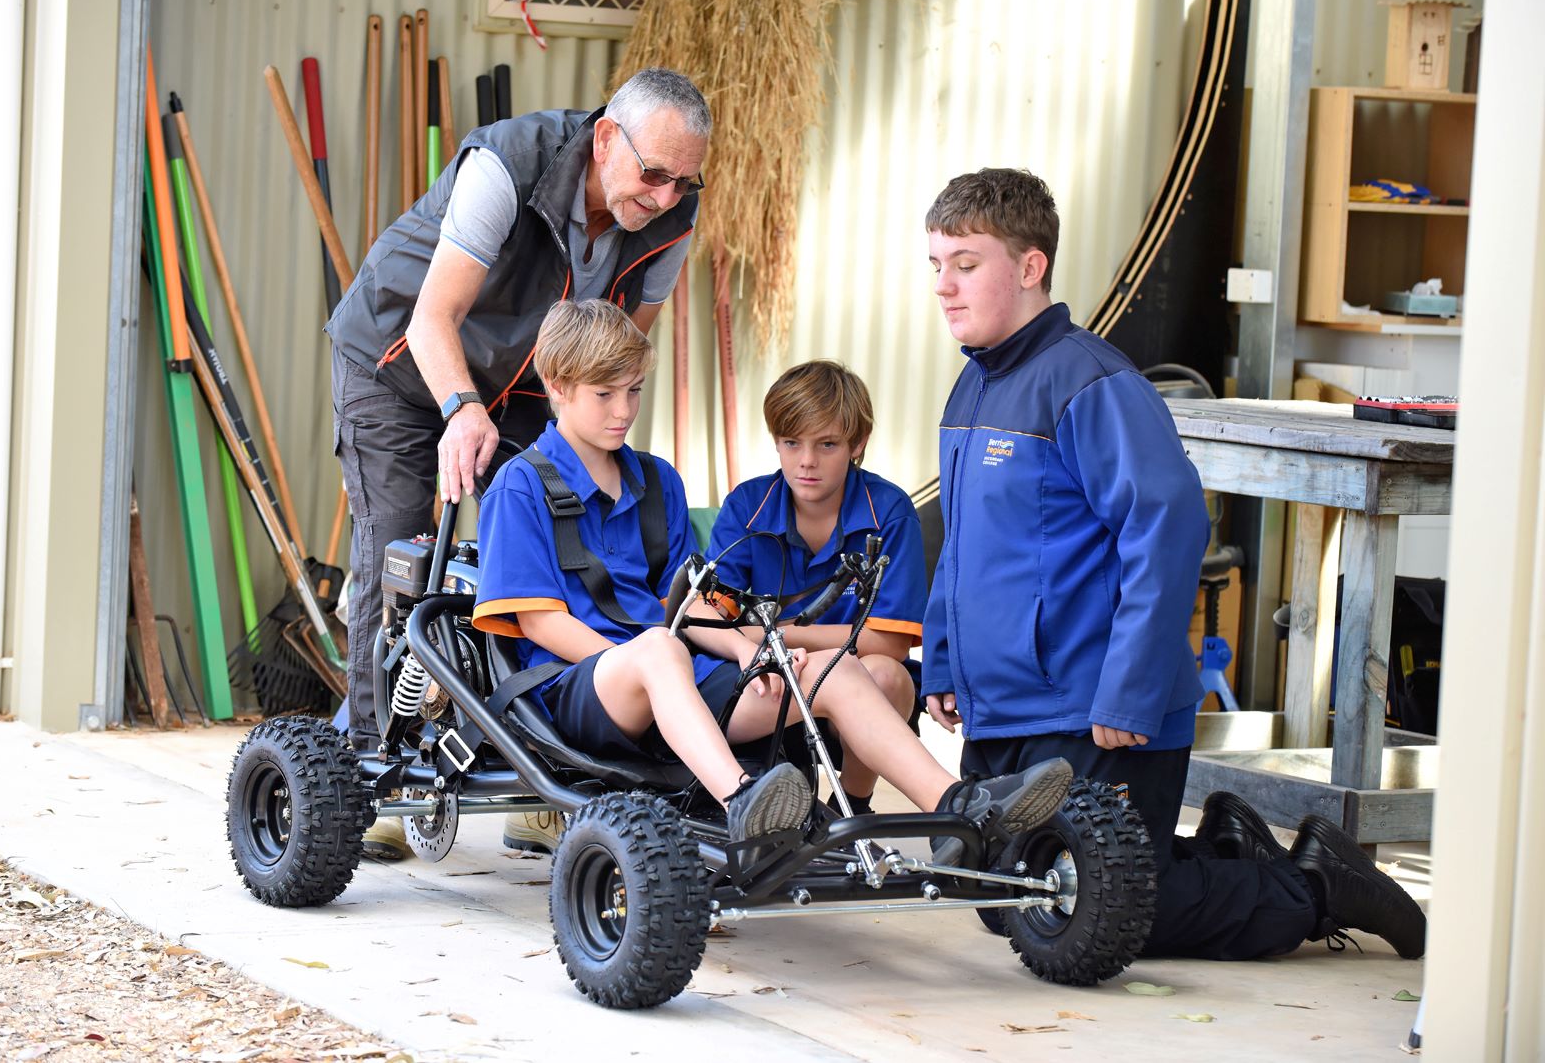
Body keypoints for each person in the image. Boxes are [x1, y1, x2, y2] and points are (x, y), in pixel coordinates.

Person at [920, 167, 1426, 959]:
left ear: (1030, 266)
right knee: (1001, 895)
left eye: (966, 263)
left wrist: (1131, 689)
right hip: (1010, 706)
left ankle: (1321, 887)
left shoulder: (1092, 383)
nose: (945, 287)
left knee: (1101, 906)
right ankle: (1233, 853)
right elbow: (964, 545)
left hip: (1091, 708)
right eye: (936, 265)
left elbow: (1168, 533)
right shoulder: (972, 388)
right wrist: (942, 660)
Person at [472, 299, 1073, 859]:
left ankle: (960, 805)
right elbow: (539, 621)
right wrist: (651, 665)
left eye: (633, 391)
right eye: (605, 395)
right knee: (657, 648)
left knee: (828, 672)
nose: (625, 410)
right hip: (582, 689)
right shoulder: (521, 486)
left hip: (678, 676)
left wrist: (744, 648)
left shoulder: (658, 483)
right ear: (556, 387)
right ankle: (742, 801)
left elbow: (693, 602)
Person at [325, 68, 709, 858]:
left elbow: (617, 349)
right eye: (654, 174)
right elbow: (435, 319)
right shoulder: (506, 167)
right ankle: (378, 771)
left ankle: (539, 765)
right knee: (403, 550)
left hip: (528, 380)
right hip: (398, 362)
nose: (667, 197)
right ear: (607, 139)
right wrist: (461, 409)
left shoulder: (671, 217)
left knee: (550, 551)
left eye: (685, 179)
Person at [705, 360, 925, 816]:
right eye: (791, 443)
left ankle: (853, 807)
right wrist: (763, 644)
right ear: (777, 442)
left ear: (857, 444)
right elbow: (715, 616)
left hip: (861, 687)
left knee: (887, 673)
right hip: (772, 682)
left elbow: (891, 642)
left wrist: (780, 632)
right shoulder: (747, 504)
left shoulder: (891, 511)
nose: (807, 462)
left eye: (827, 444)